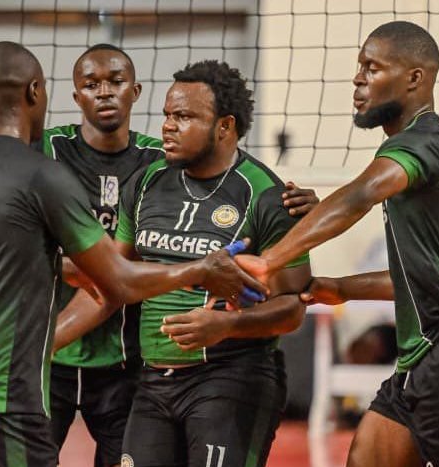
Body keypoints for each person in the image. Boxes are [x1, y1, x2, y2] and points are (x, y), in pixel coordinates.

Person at [0, 44, 318, 467]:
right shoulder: (50, 159)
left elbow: (291, 297)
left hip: (138, 364)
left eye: (116, 82)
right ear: (61, 95)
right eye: (91, 84)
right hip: (53, 361)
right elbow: (113, 280)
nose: (104, 93)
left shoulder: (178, 169)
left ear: (135, 91)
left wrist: (306, 214)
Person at [236, 22, 439, 467]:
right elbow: (424, 277)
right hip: (421, 356)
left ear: (415, 78)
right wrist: (341, 288)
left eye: (372, 67)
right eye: (359, 66)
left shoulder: (423, 143)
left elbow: (359, 196)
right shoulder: (431, 153)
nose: (358, 78)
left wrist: (268, 262)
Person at [103, 60, 312, 467]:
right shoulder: (145, 183)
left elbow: (294, 308)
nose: (168, 126)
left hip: (232, 377)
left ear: (224, 126)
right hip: (153, 380)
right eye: (167, 115)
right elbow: (116, 277)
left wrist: (227, 325)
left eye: (183, 116)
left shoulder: (268, 196)